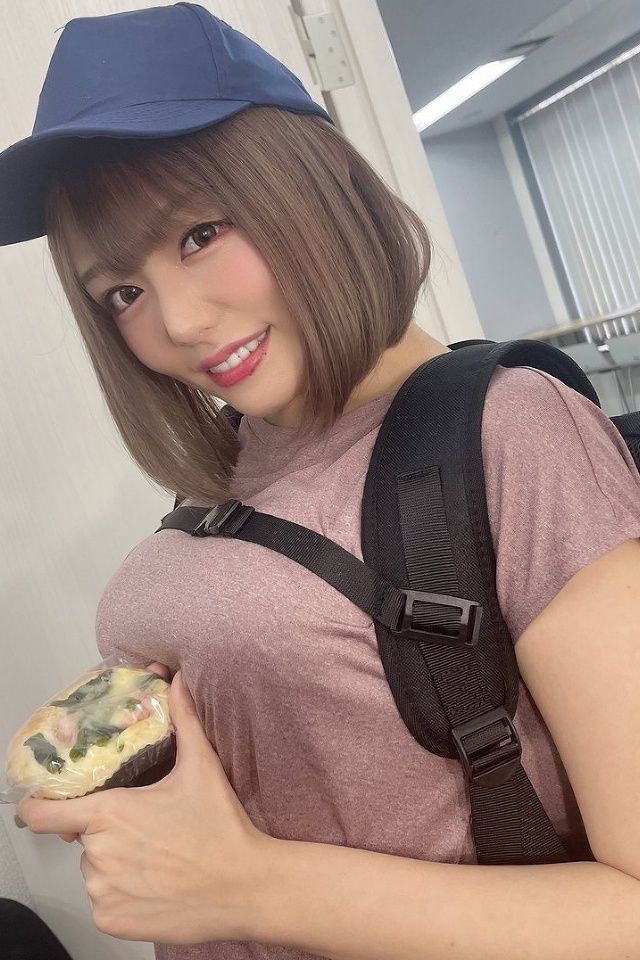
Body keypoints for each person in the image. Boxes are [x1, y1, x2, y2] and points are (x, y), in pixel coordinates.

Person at [3, 5, 640, 960]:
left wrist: (246, 889)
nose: (177, 323)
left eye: (200, 233)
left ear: (322, 177)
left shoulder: (512, 430)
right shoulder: (236, 461)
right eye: (121, 293)